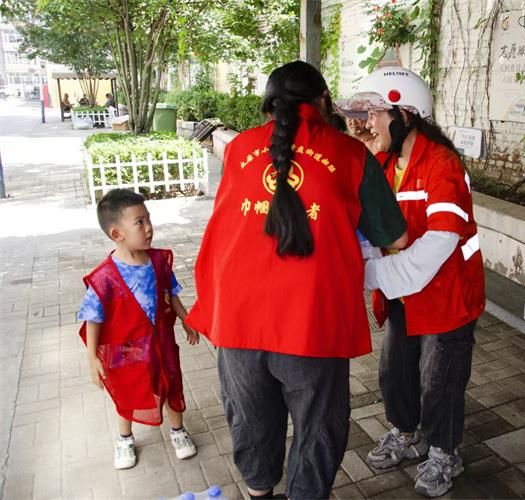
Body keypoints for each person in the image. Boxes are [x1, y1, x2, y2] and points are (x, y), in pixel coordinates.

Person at [185, 61, 407, 499]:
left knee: (251, 422)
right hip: (311, 324)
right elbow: (395, 237)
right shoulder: (350, 154)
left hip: (238, 321)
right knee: (318, 427)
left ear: (269, 105)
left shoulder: (239, 149)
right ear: (322, 101)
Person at [339, 67, 486, 497]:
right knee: (395, 372)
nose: (367, 123)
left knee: (440, 381)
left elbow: (440, 241)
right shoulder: (384, 164)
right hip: (403, 295)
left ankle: (444, 452)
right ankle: (406, 433)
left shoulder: (443, 165)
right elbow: (367, 220)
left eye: (375, 113)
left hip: (446, 297)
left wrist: (370, 275)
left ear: (404, 114)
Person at [77, 189, 199, 470]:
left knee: (171, 383)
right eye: (139, 222)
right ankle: (124, 438)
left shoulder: (158, 262)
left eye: (148, 219)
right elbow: (92, 318)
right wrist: (92, 358)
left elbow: (171, 293)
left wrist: (185, 318)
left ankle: (178, 431)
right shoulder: (105, 277)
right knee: (127, 391)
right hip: (127, 349)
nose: (149, 228)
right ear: (116, 233)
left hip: (162, 343)